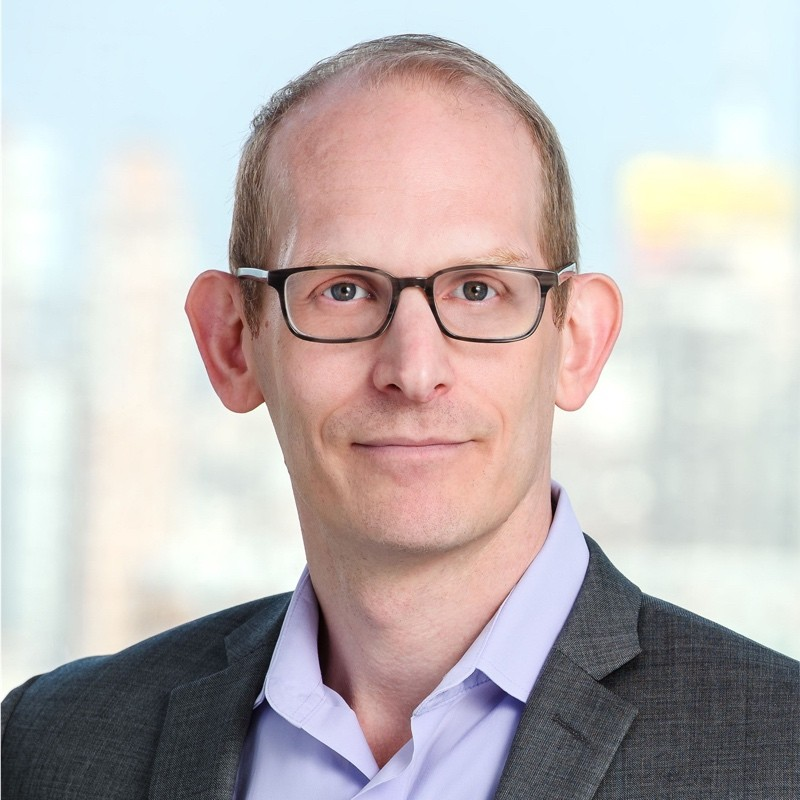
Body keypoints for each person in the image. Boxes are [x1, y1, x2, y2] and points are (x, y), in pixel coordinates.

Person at [2, 34, 797, 800]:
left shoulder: (779, 754)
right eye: (344, 290)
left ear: (578, 342)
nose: (414, 372)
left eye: (478, 290)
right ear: (232, 343)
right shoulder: (52, 749)